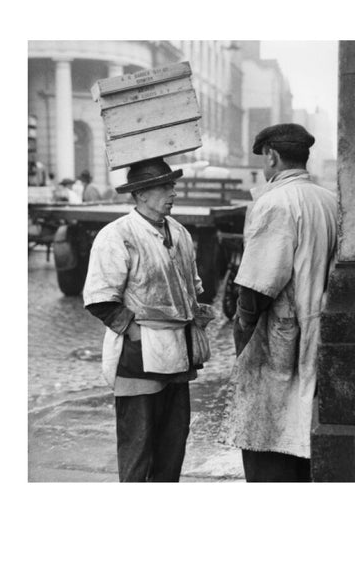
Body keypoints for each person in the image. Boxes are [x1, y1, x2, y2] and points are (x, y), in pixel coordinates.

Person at [220, 124, 337, 482]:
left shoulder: (274, 202)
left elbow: (257, 285)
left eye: (263, 160)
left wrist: (243, 336)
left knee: (268, 439)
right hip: (318, 329)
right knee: (303, 435)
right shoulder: (328, 199)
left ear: (271, 155)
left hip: (280, 339)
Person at [83, 157, 213, 482]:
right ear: (141, 194)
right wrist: (134, 331)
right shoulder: (117, 236)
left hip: (178, 356)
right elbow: (100, 298)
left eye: (173, 185)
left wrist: (196, 310)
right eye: (165, 186)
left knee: (172, 446)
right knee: (138, 447)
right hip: (137, 358)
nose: (174, 193)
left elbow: (192, 286)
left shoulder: (180, 233)